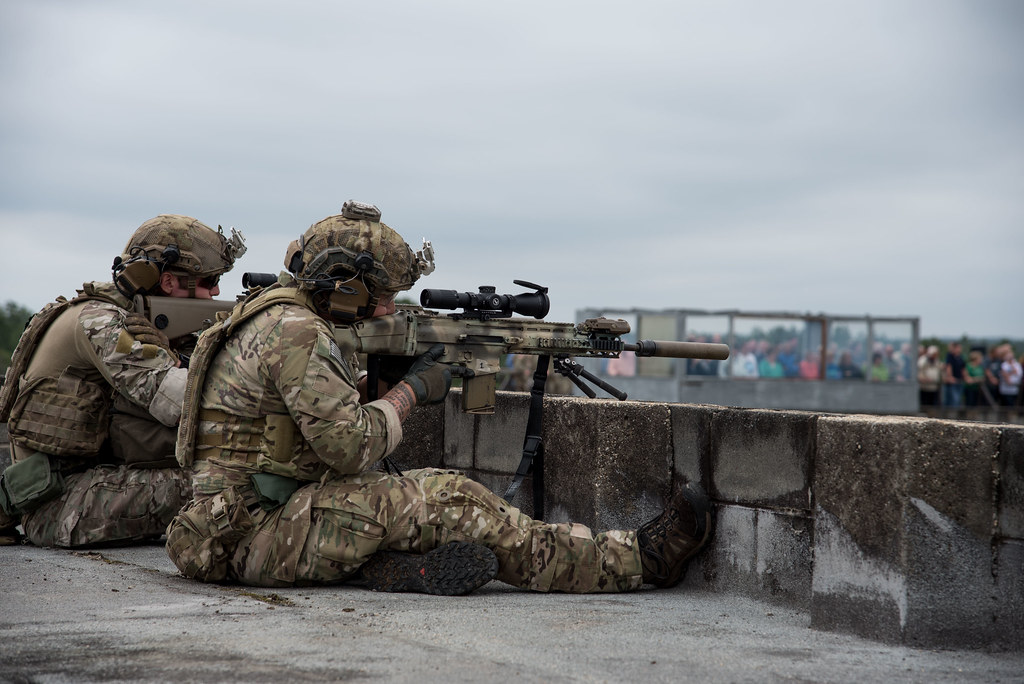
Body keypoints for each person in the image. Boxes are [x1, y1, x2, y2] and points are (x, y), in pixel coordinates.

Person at [165, 201, 713, 595]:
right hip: (253, 532)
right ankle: (637, 561)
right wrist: (411, 391)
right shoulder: (299, 332)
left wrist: (380, 386)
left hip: (228, 524)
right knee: (451, 499)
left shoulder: (272, 314)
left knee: (408, 501)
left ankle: (380, 566)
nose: (389, 309)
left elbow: (292, 422)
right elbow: (350, 449)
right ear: (345, 285)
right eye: (383, 296)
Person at [0, 215, 245, 547]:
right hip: (55, 504)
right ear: (169, 282)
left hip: (87, 482)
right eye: (209, 280)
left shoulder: (134, 319)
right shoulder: (100, 322)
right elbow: (181, 404)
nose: (216, 291)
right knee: (223, 483)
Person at [942, 341, 965, 408]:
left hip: (959, 380)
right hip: (953, 381)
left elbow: (963, 368)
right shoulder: (950, 356)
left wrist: (966, 377)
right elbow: (949, 367)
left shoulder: (960, 357)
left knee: (958, 399)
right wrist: (950, 377)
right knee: (954, 399)